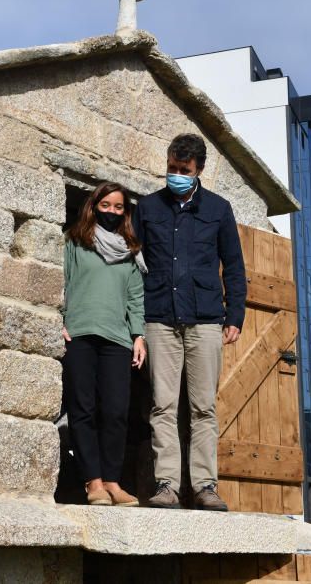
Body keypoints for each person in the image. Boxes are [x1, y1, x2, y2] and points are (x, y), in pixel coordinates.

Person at [132, 133, 246, 512]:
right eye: (171, 168)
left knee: (202, 408)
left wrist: (236, 315)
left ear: (199, 171)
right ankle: (167, 484)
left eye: (184, 170)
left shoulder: (219, 209)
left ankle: (204, 486)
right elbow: (132, 263)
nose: (176, 175)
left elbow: (234, 266)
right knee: (162, 405)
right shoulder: (147, 208)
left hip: (206, 320)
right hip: (160, 319)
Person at [61, 182, 148, 507]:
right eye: (106, 205)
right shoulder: (74, 242)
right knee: (82, 410)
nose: (111, 212)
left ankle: (112, 481)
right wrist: (58, 320)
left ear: (125, 213)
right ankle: (93, 482)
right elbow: (60, 280)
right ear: (93, 205)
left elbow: (135, 297)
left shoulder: (130, 253)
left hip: (117, 340)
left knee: (115, 412)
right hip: (80, 334)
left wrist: (138, 335)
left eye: (118, 207)